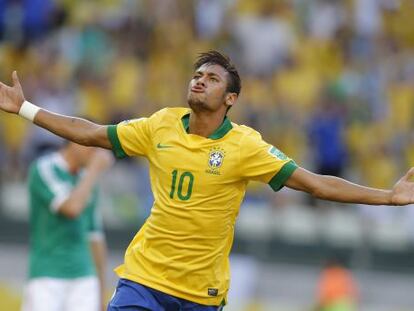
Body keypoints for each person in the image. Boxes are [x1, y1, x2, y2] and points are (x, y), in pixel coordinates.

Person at [0, 50, 414, 311]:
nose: (199, 79)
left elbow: (315, 183)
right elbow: (89, 131)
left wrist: (388, 197)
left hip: (202, 294)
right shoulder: (160, 125)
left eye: (212, 78)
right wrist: (26, 110)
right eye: (197, 74)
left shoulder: (245, 146)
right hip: (143, 280)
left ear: (230, 99)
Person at [21, 141, 113, 311]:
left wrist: (101, 292)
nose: (95, 154)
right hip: (48, 275)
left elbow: (95, 237)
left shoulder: (86, 180)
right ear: (75, 141)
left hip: (84, 276)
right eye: (92, 146)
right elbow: (71, 208)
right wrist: (94, 170)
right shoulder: (44, 168)